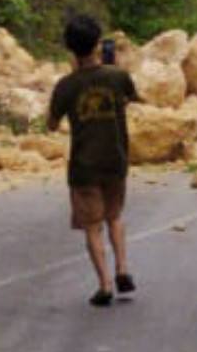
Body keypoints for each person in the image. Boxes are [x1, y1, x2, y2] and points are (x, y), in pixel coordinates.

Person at [47, 15, 140, 307]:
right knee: (115, 217)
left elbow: (51, 124)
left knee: (92, 226)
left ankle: (104, 285)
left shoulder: (66, 86)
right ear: (98, 44)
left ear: (70, 48)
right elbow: (131, 98)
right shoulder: (117, 77)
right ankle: (122, 268)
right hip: (115, 158)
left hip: (84, 166)